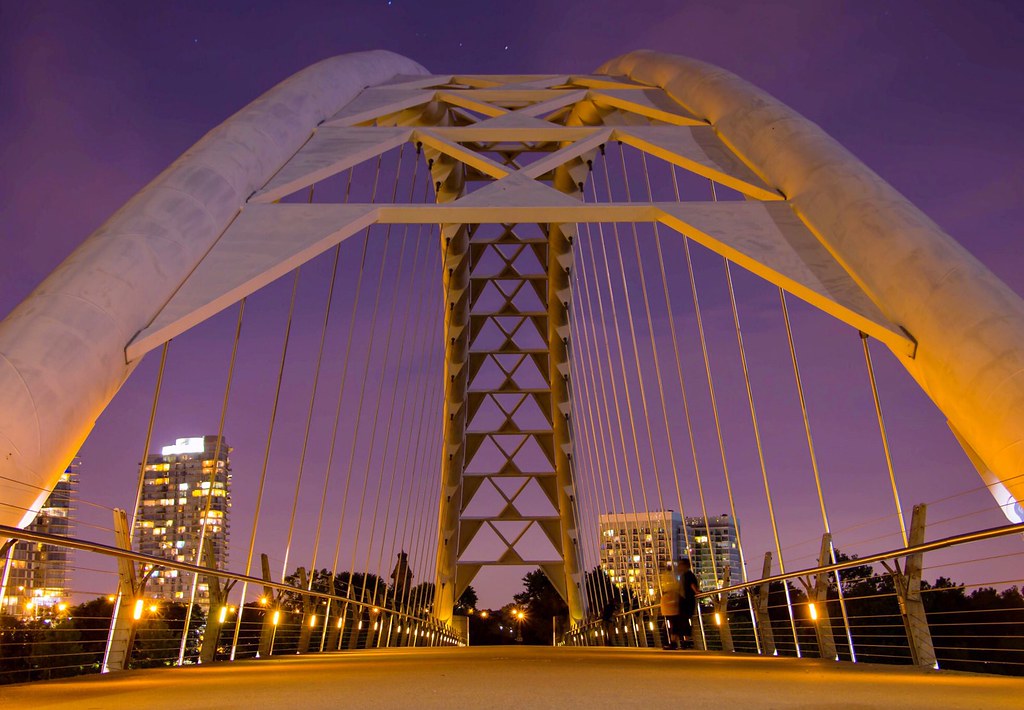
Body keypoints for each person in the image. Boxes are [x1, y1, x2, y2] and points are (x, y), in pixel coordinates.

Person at [678, 557, 700, 649]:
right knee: (684, 621)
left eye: (680, 565)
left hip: (686, 601)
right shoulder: (685, 575)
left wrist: (697, 592)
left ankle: (687, 640)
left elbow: (692, 585)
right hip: (685, 601)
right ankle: (686, 640)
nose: (679, 567)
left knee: (684, 620)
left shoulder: (688, 575)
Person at [659, 562, 682, 650]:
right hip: (673, 601)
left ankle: (672, 642)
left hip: (668, 602)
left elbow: (665, 588)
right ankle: (674, 642)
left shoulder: (665, 577)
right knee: (674, 623)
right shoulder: (673, 577)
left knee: (671, 623)